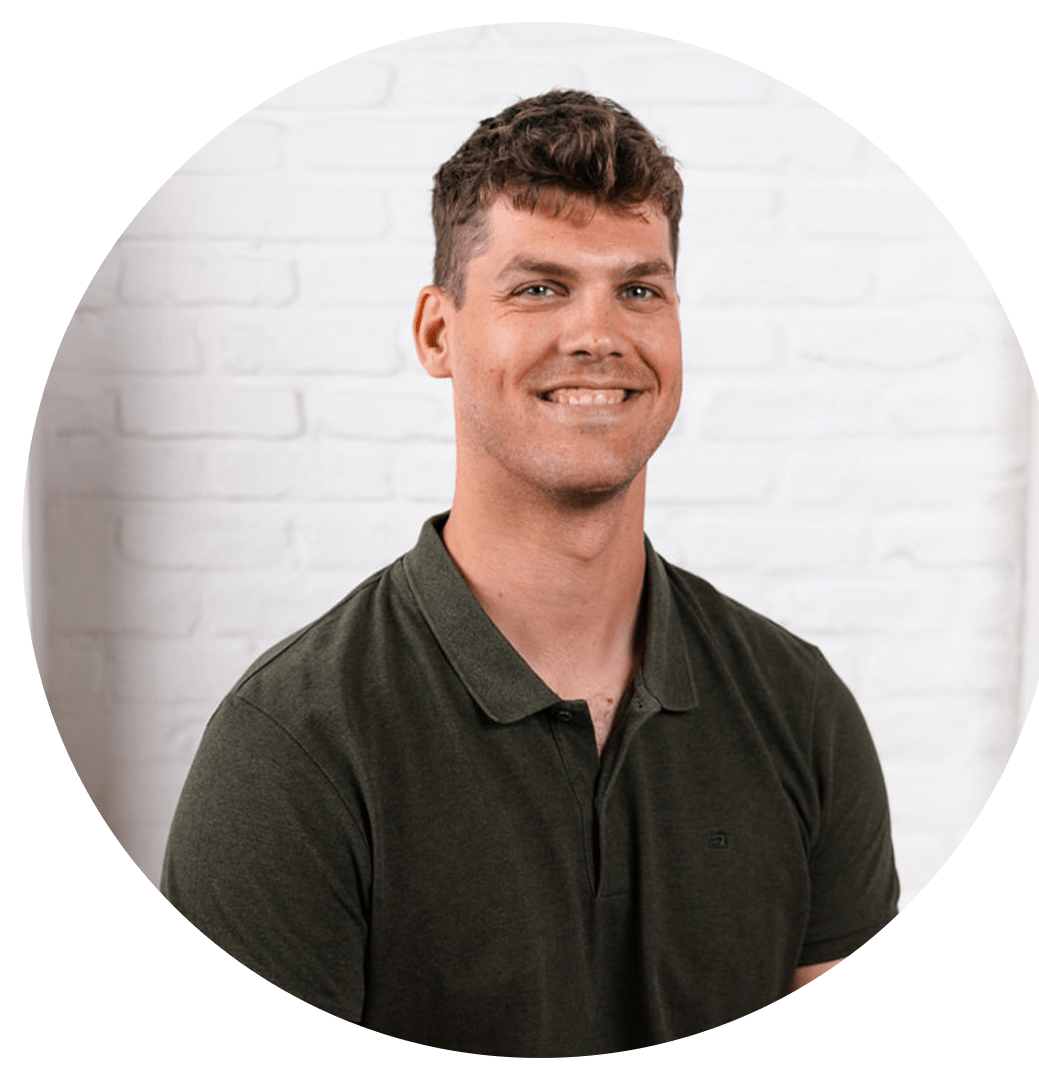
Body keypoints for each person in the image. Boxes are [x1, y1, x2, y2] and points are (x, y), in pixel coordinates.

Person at [162, 90, 899, 1057]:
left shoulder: (800, 708)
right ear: (438, 333)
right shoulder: (293, 747)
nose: (599, 334)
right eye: (540, 289)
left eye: (640, 291)